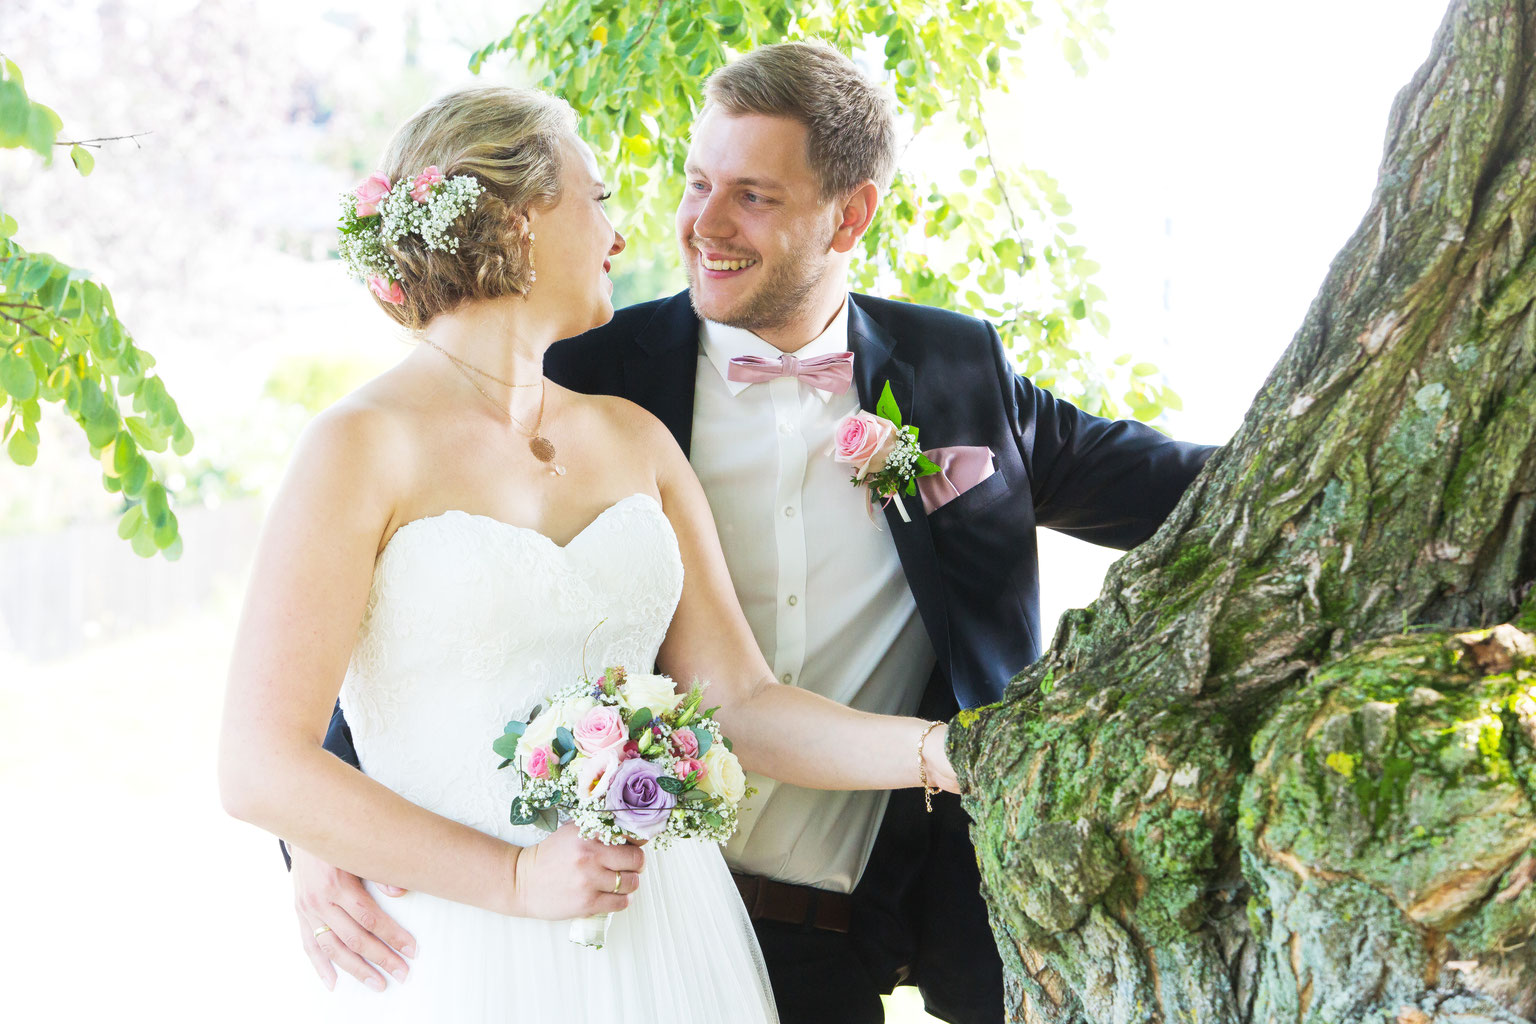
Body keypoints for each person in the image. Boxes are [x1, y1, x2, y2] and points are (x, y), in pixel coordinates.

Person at [287, 42, 1217, 1024]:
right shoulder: (580, 370)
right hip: (530, 914)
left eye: (754, 197)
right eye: (695, 184)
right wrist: (317, 827)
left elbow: (1190, 491)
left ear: (849, 213)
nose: (698, 224)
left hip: (811, 936)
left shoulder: (955, 376)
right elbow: (420, 643)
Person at [219, 83, 967, 1024]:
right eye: (599, 198)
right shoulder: (361, 445)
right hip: (463, 950)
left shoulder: (634, 440)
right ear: (524, 218)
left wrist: (947, 754)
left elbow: (741, 704)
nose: (623, 232)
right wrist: (519, 879)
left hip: (671, 940)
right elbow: (259, 764)